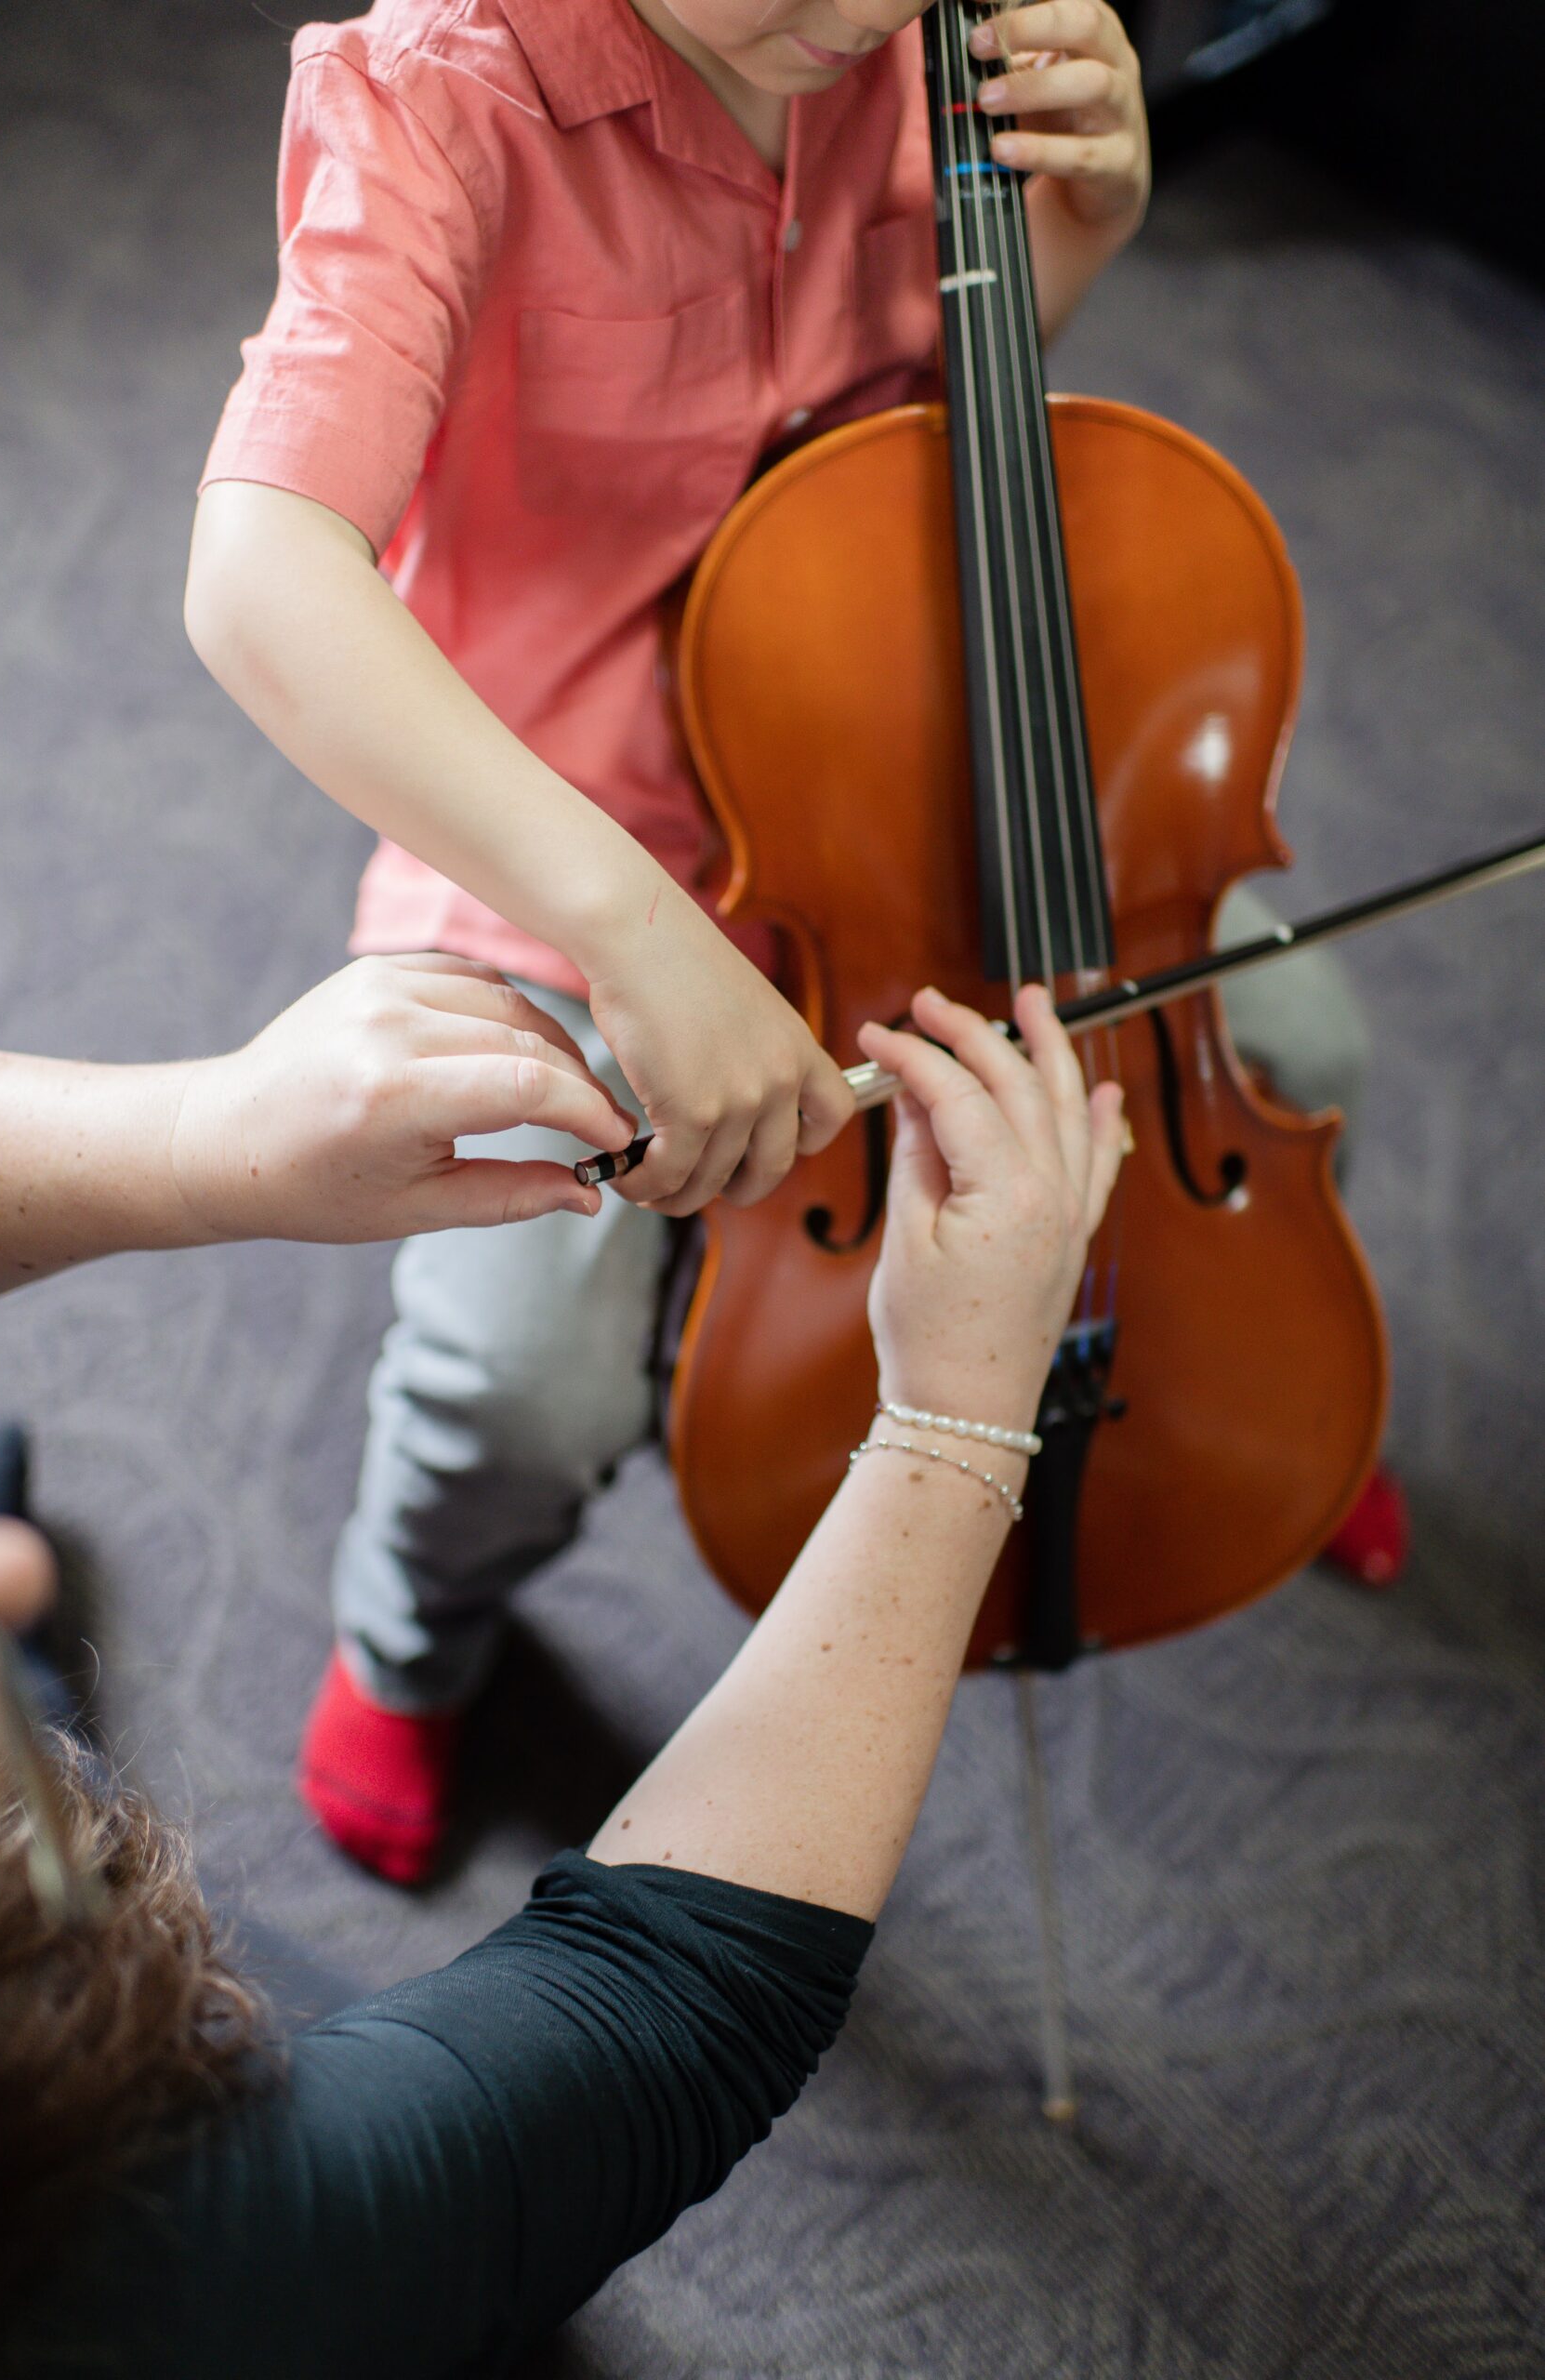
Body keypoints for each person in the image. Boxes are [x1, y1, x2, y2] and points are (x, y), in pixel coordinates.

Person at [184, 0, 1380, 1886]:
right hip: (559, 824)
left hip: (890, 756)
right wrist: (621, 921)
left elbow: (935, 413)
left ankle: (1250, 1368)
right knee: (517, 1379)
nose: (847, 18)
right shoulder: (431, 94)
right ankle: (409, 1636)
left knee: (1294, 1056)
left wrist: (1079, 227)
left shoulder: (936, 29)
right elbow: (257, 568)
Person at [0, 979, 1126, 2377]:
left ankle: (0, 1599)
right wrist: (964, 1401)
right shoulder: (142, 2275)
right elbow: (677, 2000)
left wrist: (203, 1136)